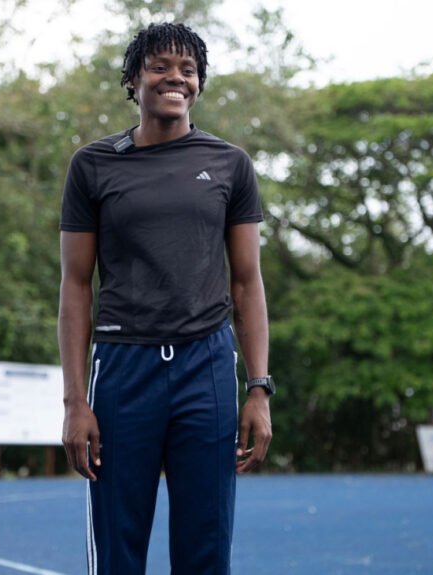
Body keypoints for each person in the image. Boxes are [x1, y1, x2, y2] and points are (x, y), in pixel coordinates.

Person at [58, 22, 273, 575]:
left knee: (207, 547)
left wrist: (258, 389)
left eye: (188, 70)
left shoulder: (230, 164)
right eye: (160, 67)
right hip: (123, 368)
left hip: (206, 367)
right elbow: (76, 285)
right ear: (133, 80)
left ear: (198, 84)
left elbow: (247, 283)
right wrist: (75, 401)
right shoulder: (93, 165)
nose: (175, 78)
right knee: (117, 546)